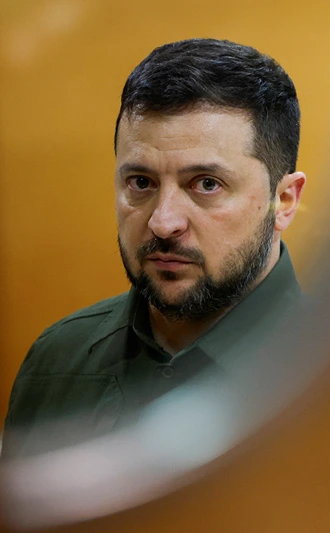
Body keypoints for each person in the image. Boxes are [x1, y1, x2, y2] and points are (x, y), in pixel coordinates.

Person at [2, 39, 306, 458]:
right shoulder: (55, 362)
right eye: (141, 182)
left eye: (206, 184)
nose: (163, 222)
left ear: (284, 201)